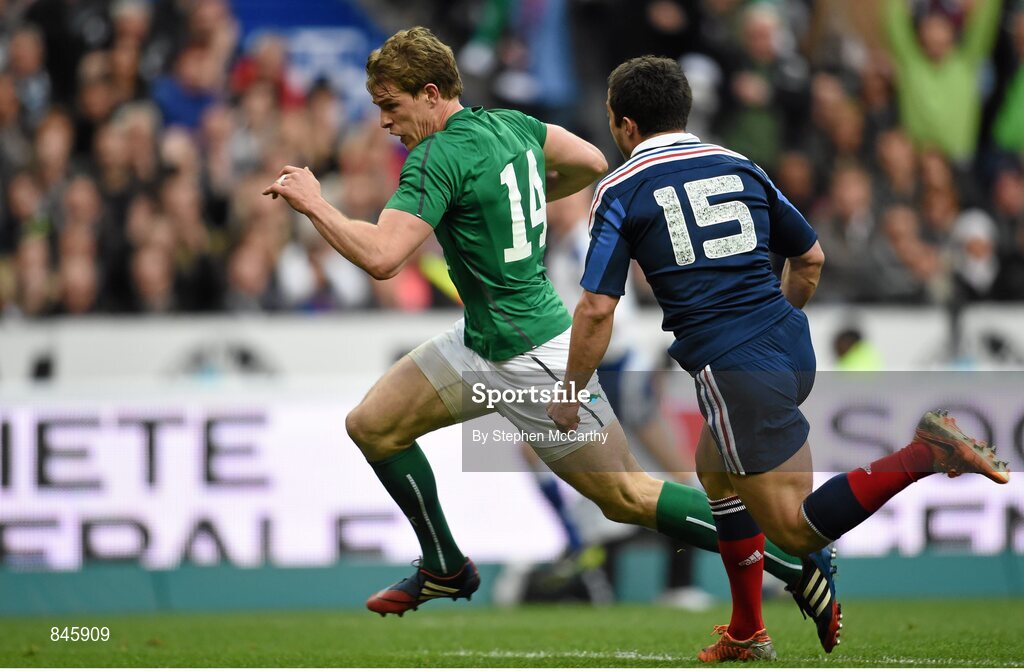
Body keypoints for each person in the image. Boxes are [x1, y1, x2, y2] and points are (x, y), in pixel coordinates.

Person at [262, 27, 821, 631]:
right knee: (372, 426)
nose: (384, 123)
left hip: (533, 352)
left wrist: (315, 203)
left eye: (390, 105)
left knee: (628, 495)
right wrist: (517, 201)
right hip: (480, 339)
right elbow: (591, 160)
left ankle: (794, 561)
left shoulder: (435, 156)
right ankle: (445, 563)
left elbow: (382, 257)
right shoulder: (513, 126)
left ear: (429, 93)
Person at [547, 55, 1011, 662]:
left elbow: (597, 309)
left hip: (735, 367)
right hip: (790, 344)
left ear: (625, 125)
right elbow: (811, 257)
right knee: (714, 469)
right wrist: (780, 323)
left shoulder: (621, 187)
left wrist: (570, 390)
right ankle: (746, 630)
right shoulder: (740, 165)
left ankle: (926, 452)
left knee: (792, 527)